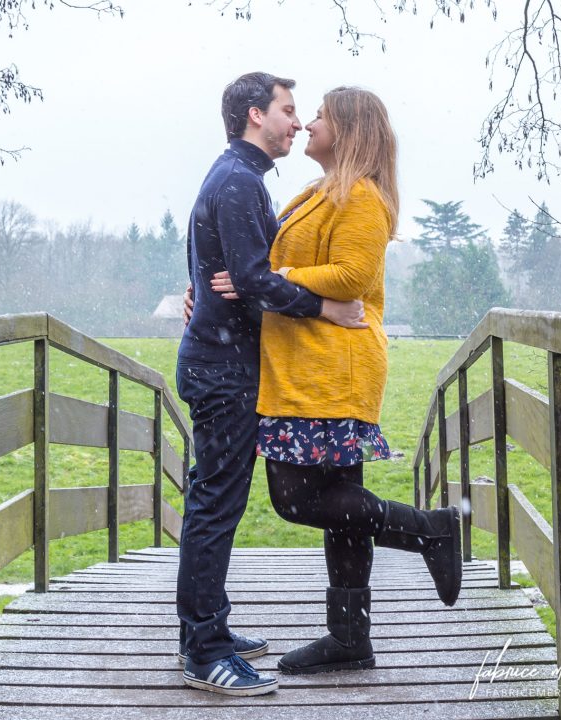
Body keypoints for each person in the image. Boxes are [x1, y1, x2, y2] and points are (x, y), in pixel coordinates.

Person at [211, 86, 463, 676]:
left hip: (331, 368)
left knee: (297, 498)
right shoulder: (320, 193)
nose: (308, 124)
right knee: (338, 504)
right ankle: (350, 638)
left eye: (319, 115)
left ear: (347, 130)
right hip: (311, 363)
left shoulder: (362, 199)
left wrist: (275, 275)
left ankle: (431, 529)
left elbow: (351, 276)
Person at [176, 72, 368, 697]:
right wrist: (328, 310)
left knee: (218, 502)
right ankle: (204, 650)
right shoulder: (238, 182)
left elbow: (228, 272)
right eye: (289, 110)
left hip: (225, 363)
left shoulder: (238, 178)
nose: (297, 122)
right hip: (224, 370)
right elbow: (254, 279)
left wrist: (204, 290)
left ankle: (211, 629)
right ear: (256, 115)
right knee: (215, 506)